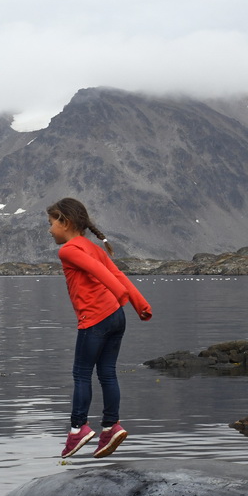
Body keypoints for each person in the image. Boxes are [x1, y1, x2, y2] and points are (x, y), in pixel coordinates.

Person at [48, 197, 153, 459]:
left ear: (65, 222)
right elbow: (118, 274)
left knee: (81, 374)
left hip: (95, 319)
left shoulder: (69, 250)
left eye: (51, 224)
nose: (49, 230)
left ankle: (77, 430)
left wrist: (120, 294)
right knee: (107, 373)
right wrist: (140, 304)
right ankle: (110, 427)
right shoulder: (93, 247)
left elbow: (106, 276)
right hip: (117, 318)